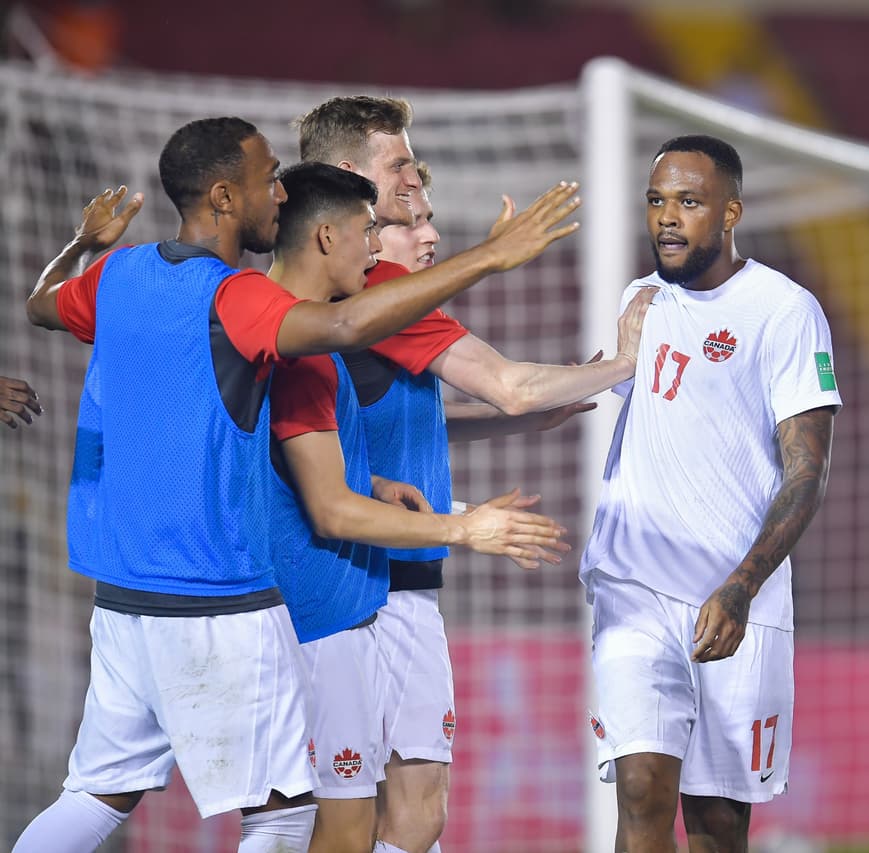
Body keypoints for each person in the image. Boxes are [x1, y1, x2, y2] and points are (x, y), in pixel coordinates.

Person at [18, 115, 580, 853]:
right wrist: (488, 258)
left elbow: (40, 302)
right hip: (214, 598)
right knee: (287, 814)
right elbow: (345, 327)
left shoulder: (119, 274)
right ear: (223, 197)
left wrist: (86, 242)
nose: (279, 193)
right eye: (266, 178)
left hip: (122, 600)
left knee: (93, 797)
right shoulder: (237, 297)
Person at [295, 97, 655, 853]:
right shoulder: (366, 294)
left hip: (406, 576)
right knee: (339, 816)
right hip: (361, 577)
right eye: (401, 182)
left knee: (410, 814)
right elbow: (511, 382)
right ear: (349, 182)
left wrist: (523, 418)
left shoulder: (366, 305)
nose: (426, 228)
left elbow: (411, 421)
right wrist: (624, 363)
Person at [263, 161, 570, 853]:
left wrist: (387, 490)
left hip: (368, 586)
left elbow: (327, 467)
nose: (390, 242)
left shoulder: (325, 339)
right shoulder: (298, 330)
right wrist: (464, 525)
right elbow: (330, 508)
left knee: (390, 815)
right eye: (388, 223)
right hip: (322, 596)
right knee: (304, 817)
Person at [578, 135, 842, 853]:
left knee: (719, 823)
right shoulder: (640, 301)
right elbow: (599, 393)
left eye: (688, 202)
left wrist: (742, 585)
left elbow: (805, 471)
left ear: (731, 213)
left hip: (736, 601)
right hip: (634, 585)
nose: (667, 218)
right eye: (657, 201)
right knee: (640, 789)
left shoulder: (783, 310)